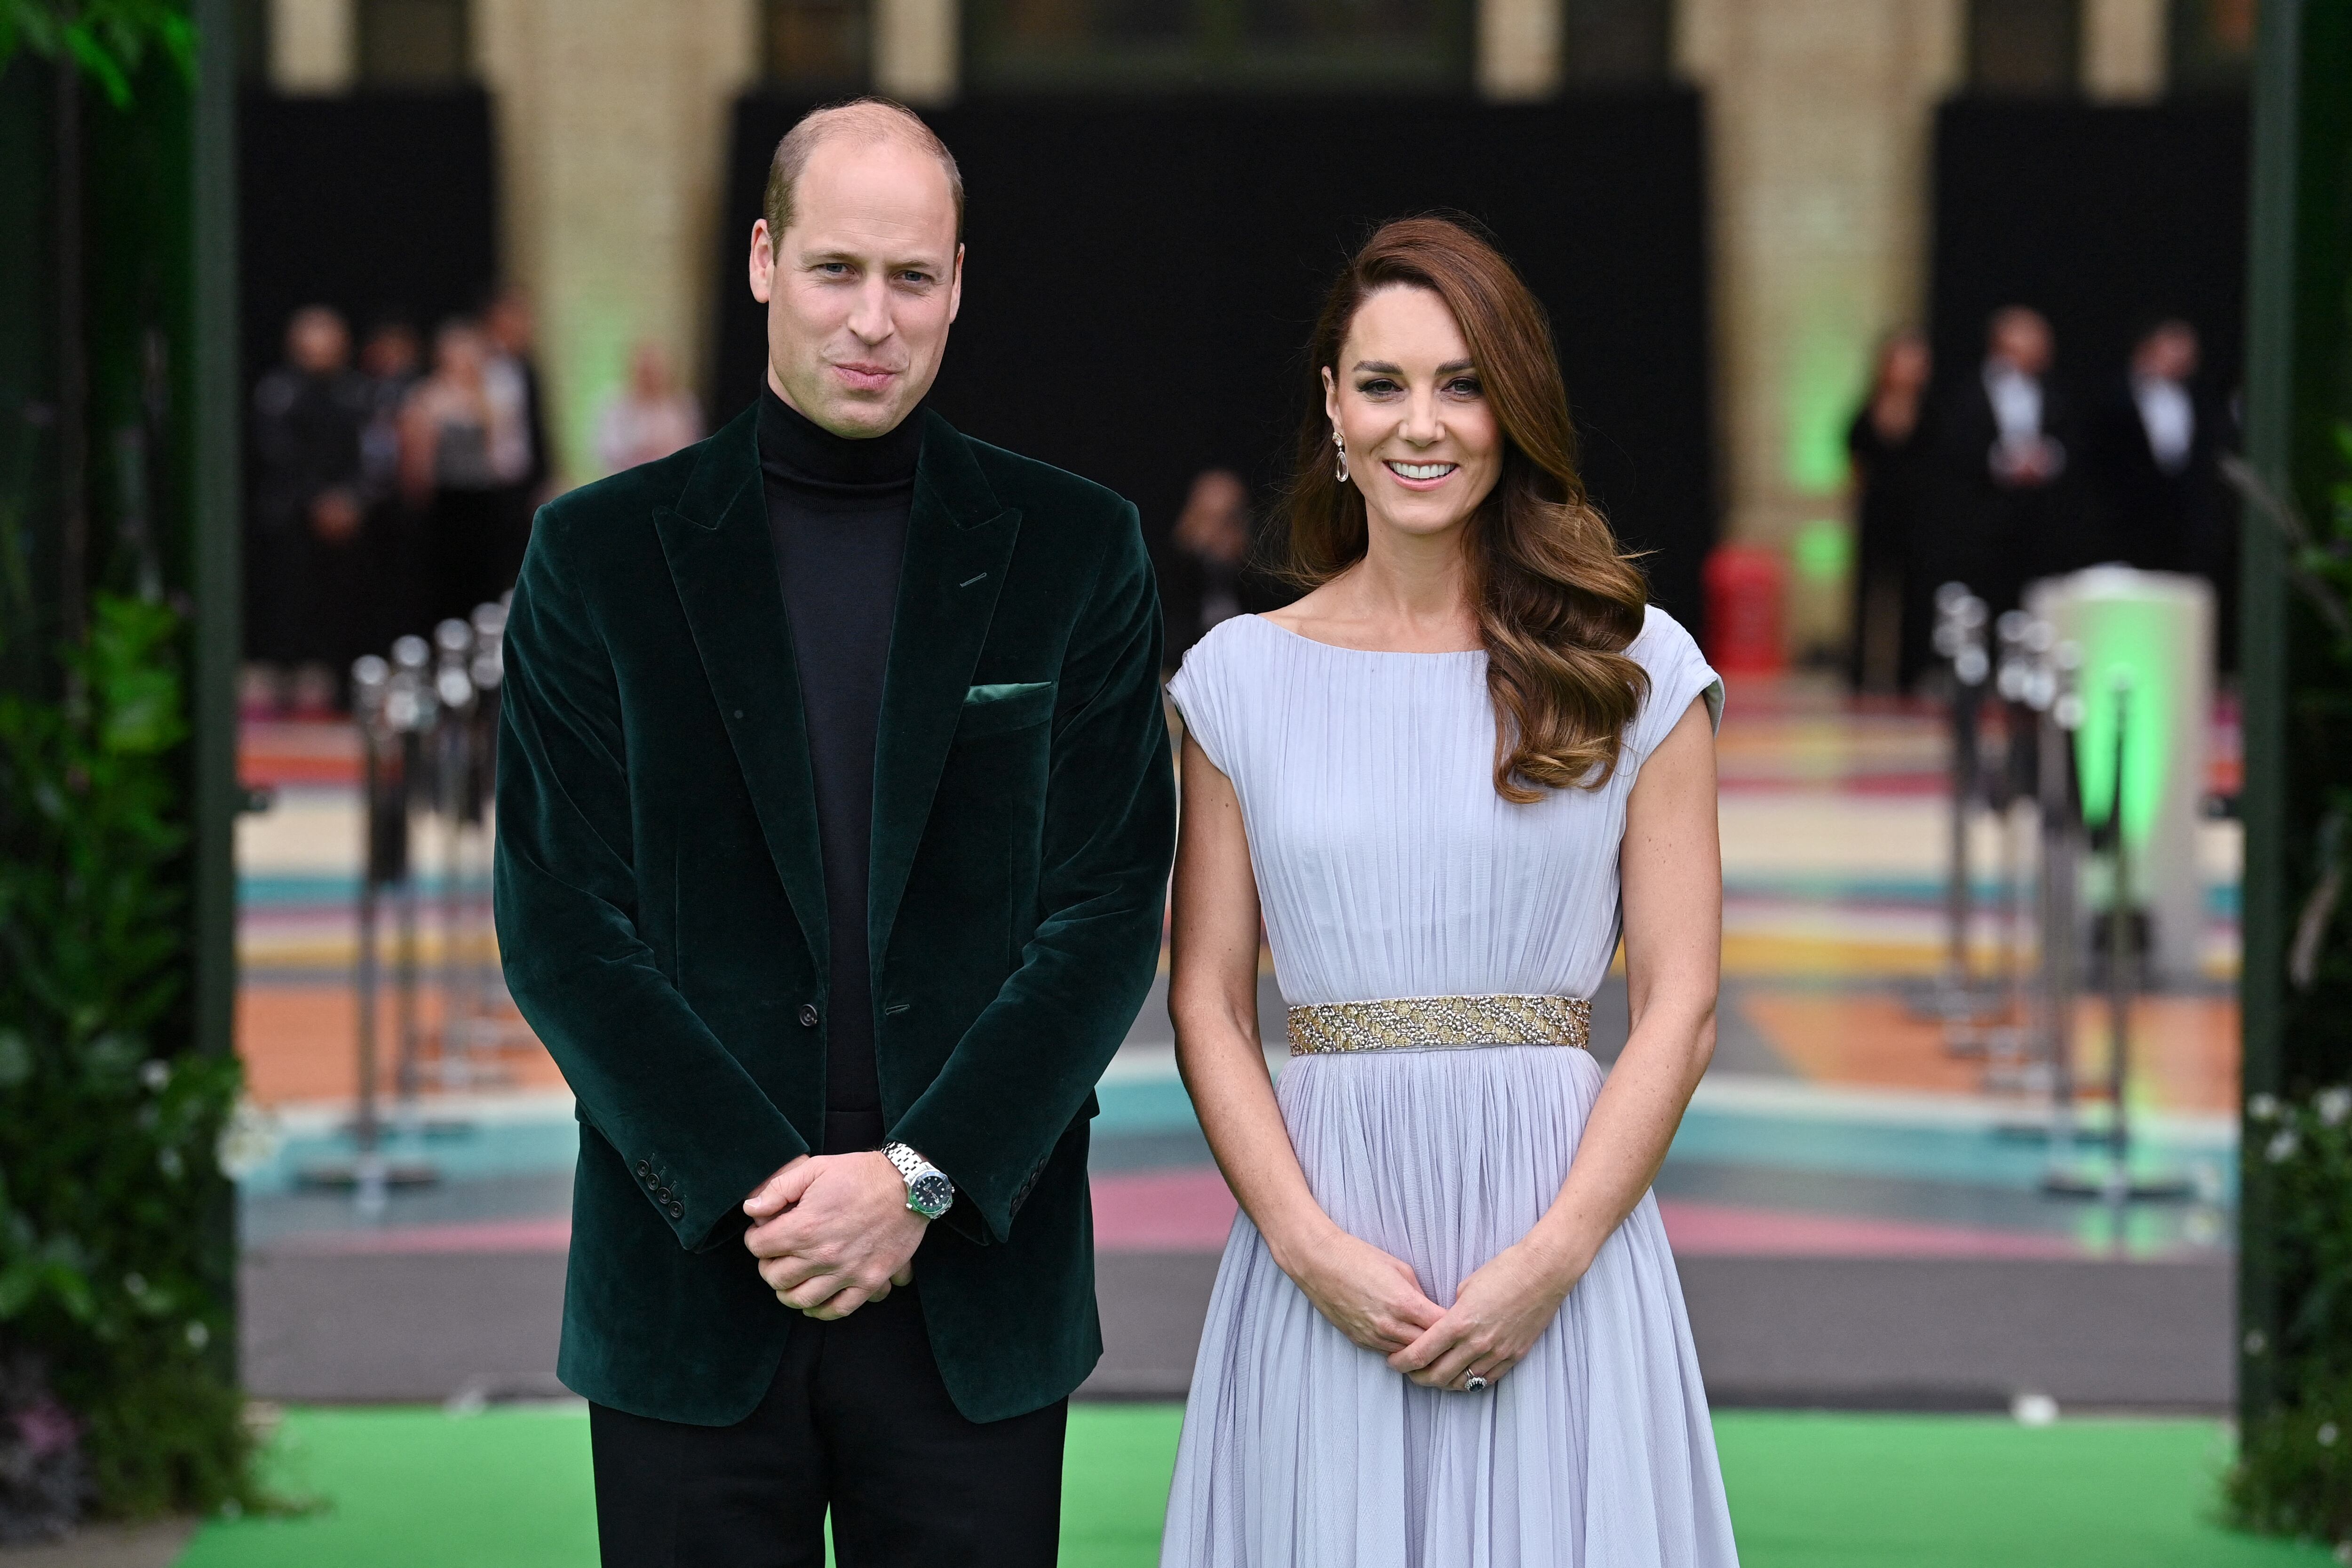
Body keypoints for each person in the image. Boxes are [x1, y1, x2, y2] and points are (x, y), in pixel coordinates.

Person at [493, 98, 1176, 1568]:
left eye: (911, 277)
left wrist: (917, 1179)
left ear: (958, 284)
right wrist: (776, 1190)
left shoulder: (1074, 550)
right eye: (836, 270)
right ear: (762, 261)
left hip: (973, 1297)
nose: (874, 319)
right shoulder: (596, 554)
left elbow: (1108, 910)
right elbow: (562, 925)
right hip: (691, 1292)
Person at [1159, 217, 1737, 1566]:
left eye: (1463, 385)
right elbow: (1206, 1003)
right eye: (1384, 383)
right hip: (1324, 1238)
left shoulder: (1637, 667)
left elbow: (1683, 1002)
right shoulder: (1239, 678)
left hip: (1562, 1237)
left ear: (1512, 407)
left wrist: (1552, 1259)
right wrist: (1307, 1247)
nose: (1422, 426)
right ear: (1332, 406)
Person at [1921, 306, 2090, 622]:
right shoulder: (1964, 392)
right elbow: (1952, 449)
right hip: (1980, 524)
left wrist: (2046, 459)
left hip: (2037, 526)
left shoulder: (2056, 393)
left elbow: (2072, 443)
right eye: (2034, 338)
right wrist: (2003, 462)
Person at [247, 305, 376, 715]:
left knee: (344, 603)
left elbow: (373, 454)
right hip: (292, 518)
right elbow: (278, 455)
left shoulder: (357, 392)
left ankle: (340, 683)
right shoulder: (279, 392)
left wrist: (351, 499)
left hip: (347, 521)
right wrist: (316, 499)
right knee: (288, 599)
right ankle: (282, 681)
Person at [2087, 318, 2238, 665]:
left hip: (2187, 537)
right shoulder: (2113, 403)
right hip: (2127, 534)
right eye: (2175, 348)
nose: (2185, 358)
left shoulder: (2203, 404)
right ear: (2148, 350)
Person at [399, 318, 516, 624]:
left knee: (485, 575)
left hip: (484, 498)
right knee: (448, 577)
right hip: (446, 500)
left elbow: (499, 452)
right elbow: (416, 460)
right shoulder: (427, 396)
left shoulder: (487, 397)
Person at [1844, 330, 1931, 693]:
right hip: (1877, 514)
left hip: (1917, 517)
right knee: (1868, 594)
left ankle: (1910, 675)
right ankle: (1860, 674)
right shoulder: (1868, 410)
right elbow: (1854, 457)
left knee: (1915, 594)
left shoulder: (1931, 412)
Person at [1158, 467, 1254, 667]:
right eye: (1207, 519)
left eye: (1229, 521)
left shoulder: (1265, 589)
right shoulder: (1160, 587)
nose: (1217, 533)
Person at [595, 338, 705, 474]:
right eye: (646, 371)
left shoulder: (684, 406)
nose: (652, 376)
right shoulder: (616, 406)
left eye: (656, 370)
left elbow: (694, 448)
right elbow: (607, 450)